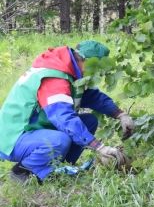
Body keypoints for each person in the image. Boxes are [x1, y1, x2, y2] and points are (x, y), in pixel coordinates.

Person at [0, 40, 134, 183]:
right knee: (59, 140)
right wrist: (99, 147)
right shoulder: (54, 78)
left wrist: (120, 114)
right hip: (14, 136)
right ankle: (24, 171)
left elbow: (93, 97)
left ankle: (61, 167)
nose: (99, 74)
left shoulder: (72, 72)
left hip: (36, 129)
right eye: (97, 68)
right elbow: (63, 118)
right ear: (86, 61)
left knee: (89, 121)